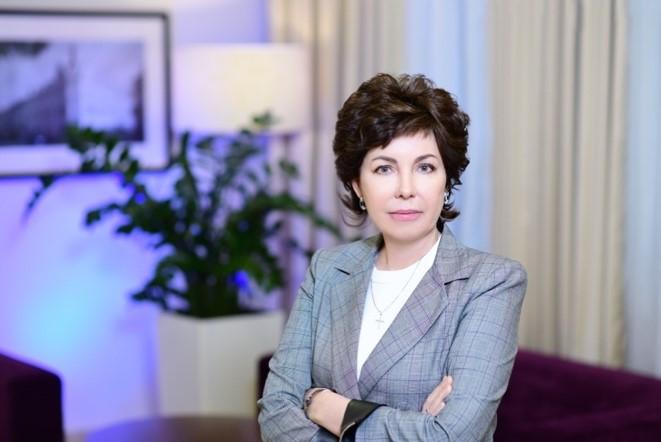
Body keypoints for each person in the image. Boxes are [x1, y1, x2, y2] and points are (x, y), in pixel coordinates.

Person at [258, 73, 527, 441]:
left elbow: (451, 436)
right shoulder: (328, 269)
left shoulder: (490, 282)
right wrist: (413, 425)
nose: (405, 189)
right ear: (358, 184)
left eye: (425, 167)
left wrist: (323, 405)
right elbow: (276, 411)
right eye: (384, 168)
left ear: (446, 181)